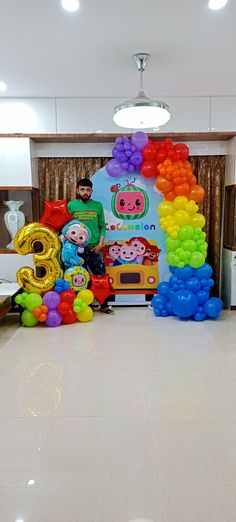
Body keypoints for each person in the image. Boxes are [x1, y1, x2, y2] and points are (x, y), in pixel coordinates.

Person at [67, 178, 114, 314]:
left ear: (91, 191)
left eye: (88, 189)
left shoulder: (98, 206)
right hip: (76, 250)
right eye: (82, 189)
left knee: (101, 278)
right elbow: (67, 226)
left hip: (94, 249)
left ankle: (104, 305)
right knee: (78, 279)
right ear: (77, 190)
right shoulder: (71, 206)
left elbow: (102, 227)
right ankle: (81, 306)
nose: (85, 192)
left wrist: (100, 244)